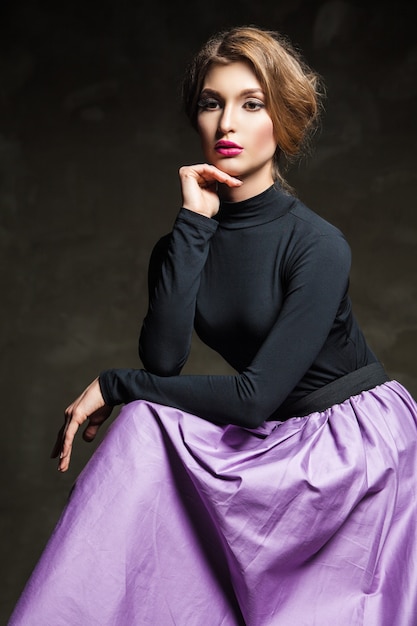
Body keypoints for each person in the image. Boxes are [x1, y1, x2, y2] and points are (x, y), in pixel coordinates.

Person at [8, 25, 417, 626]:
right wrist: (194, 226)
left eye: (251, 104)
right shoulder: (181, 242)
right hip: (279, 439)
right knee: (147, 422)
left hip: (354, 451)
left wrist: (115, 385)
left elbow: (252, 399)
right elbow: (165, 362)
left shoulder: (318, 244)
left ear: (281, 119)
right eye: (211, 102)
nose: (228, 122)